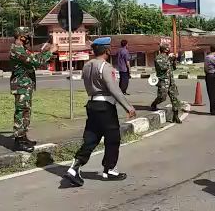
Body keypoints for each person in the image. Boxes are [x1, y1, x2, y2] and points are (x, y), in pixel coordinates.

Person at [64, 37, 136, 187]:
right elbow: (113, 88)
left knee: (91, 138)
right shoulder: (106, 67)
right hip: (105, 106)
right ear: (107, 50)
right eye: (109, 48)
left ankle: (75, 167)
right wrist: (127, 106)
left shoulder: (87, 66)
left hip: (92, 104)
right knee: (113, 138)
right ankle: (109, 169)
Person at [10, 27, 57, 152]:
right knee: (21, 112)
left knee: (26, 111)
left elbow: (34, 58)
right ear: (21, 37)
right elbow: (35, 61)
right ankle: (18, 141)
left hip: (25, 85)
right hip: (21, 86)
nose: (28, 39)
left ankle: (23, 137)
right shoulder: (17, 50)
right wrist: (50, 51)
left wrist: (45, 52)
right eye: (26, 36)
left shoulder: (22, 49)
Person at [150, 43, 182, 123]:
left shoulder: (168, 58)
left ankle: (176, 115)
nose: (169, 49)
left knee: (174, 98)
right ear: (165, 49)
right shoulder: (159, 58)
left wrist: (174, 60)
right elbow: (163, 67)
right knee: (162, 97)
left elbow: (173, 68)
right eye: (168, 48)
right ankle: (154, 103)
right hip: (163, 81)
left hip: (171, 81)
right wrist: (170, 59)